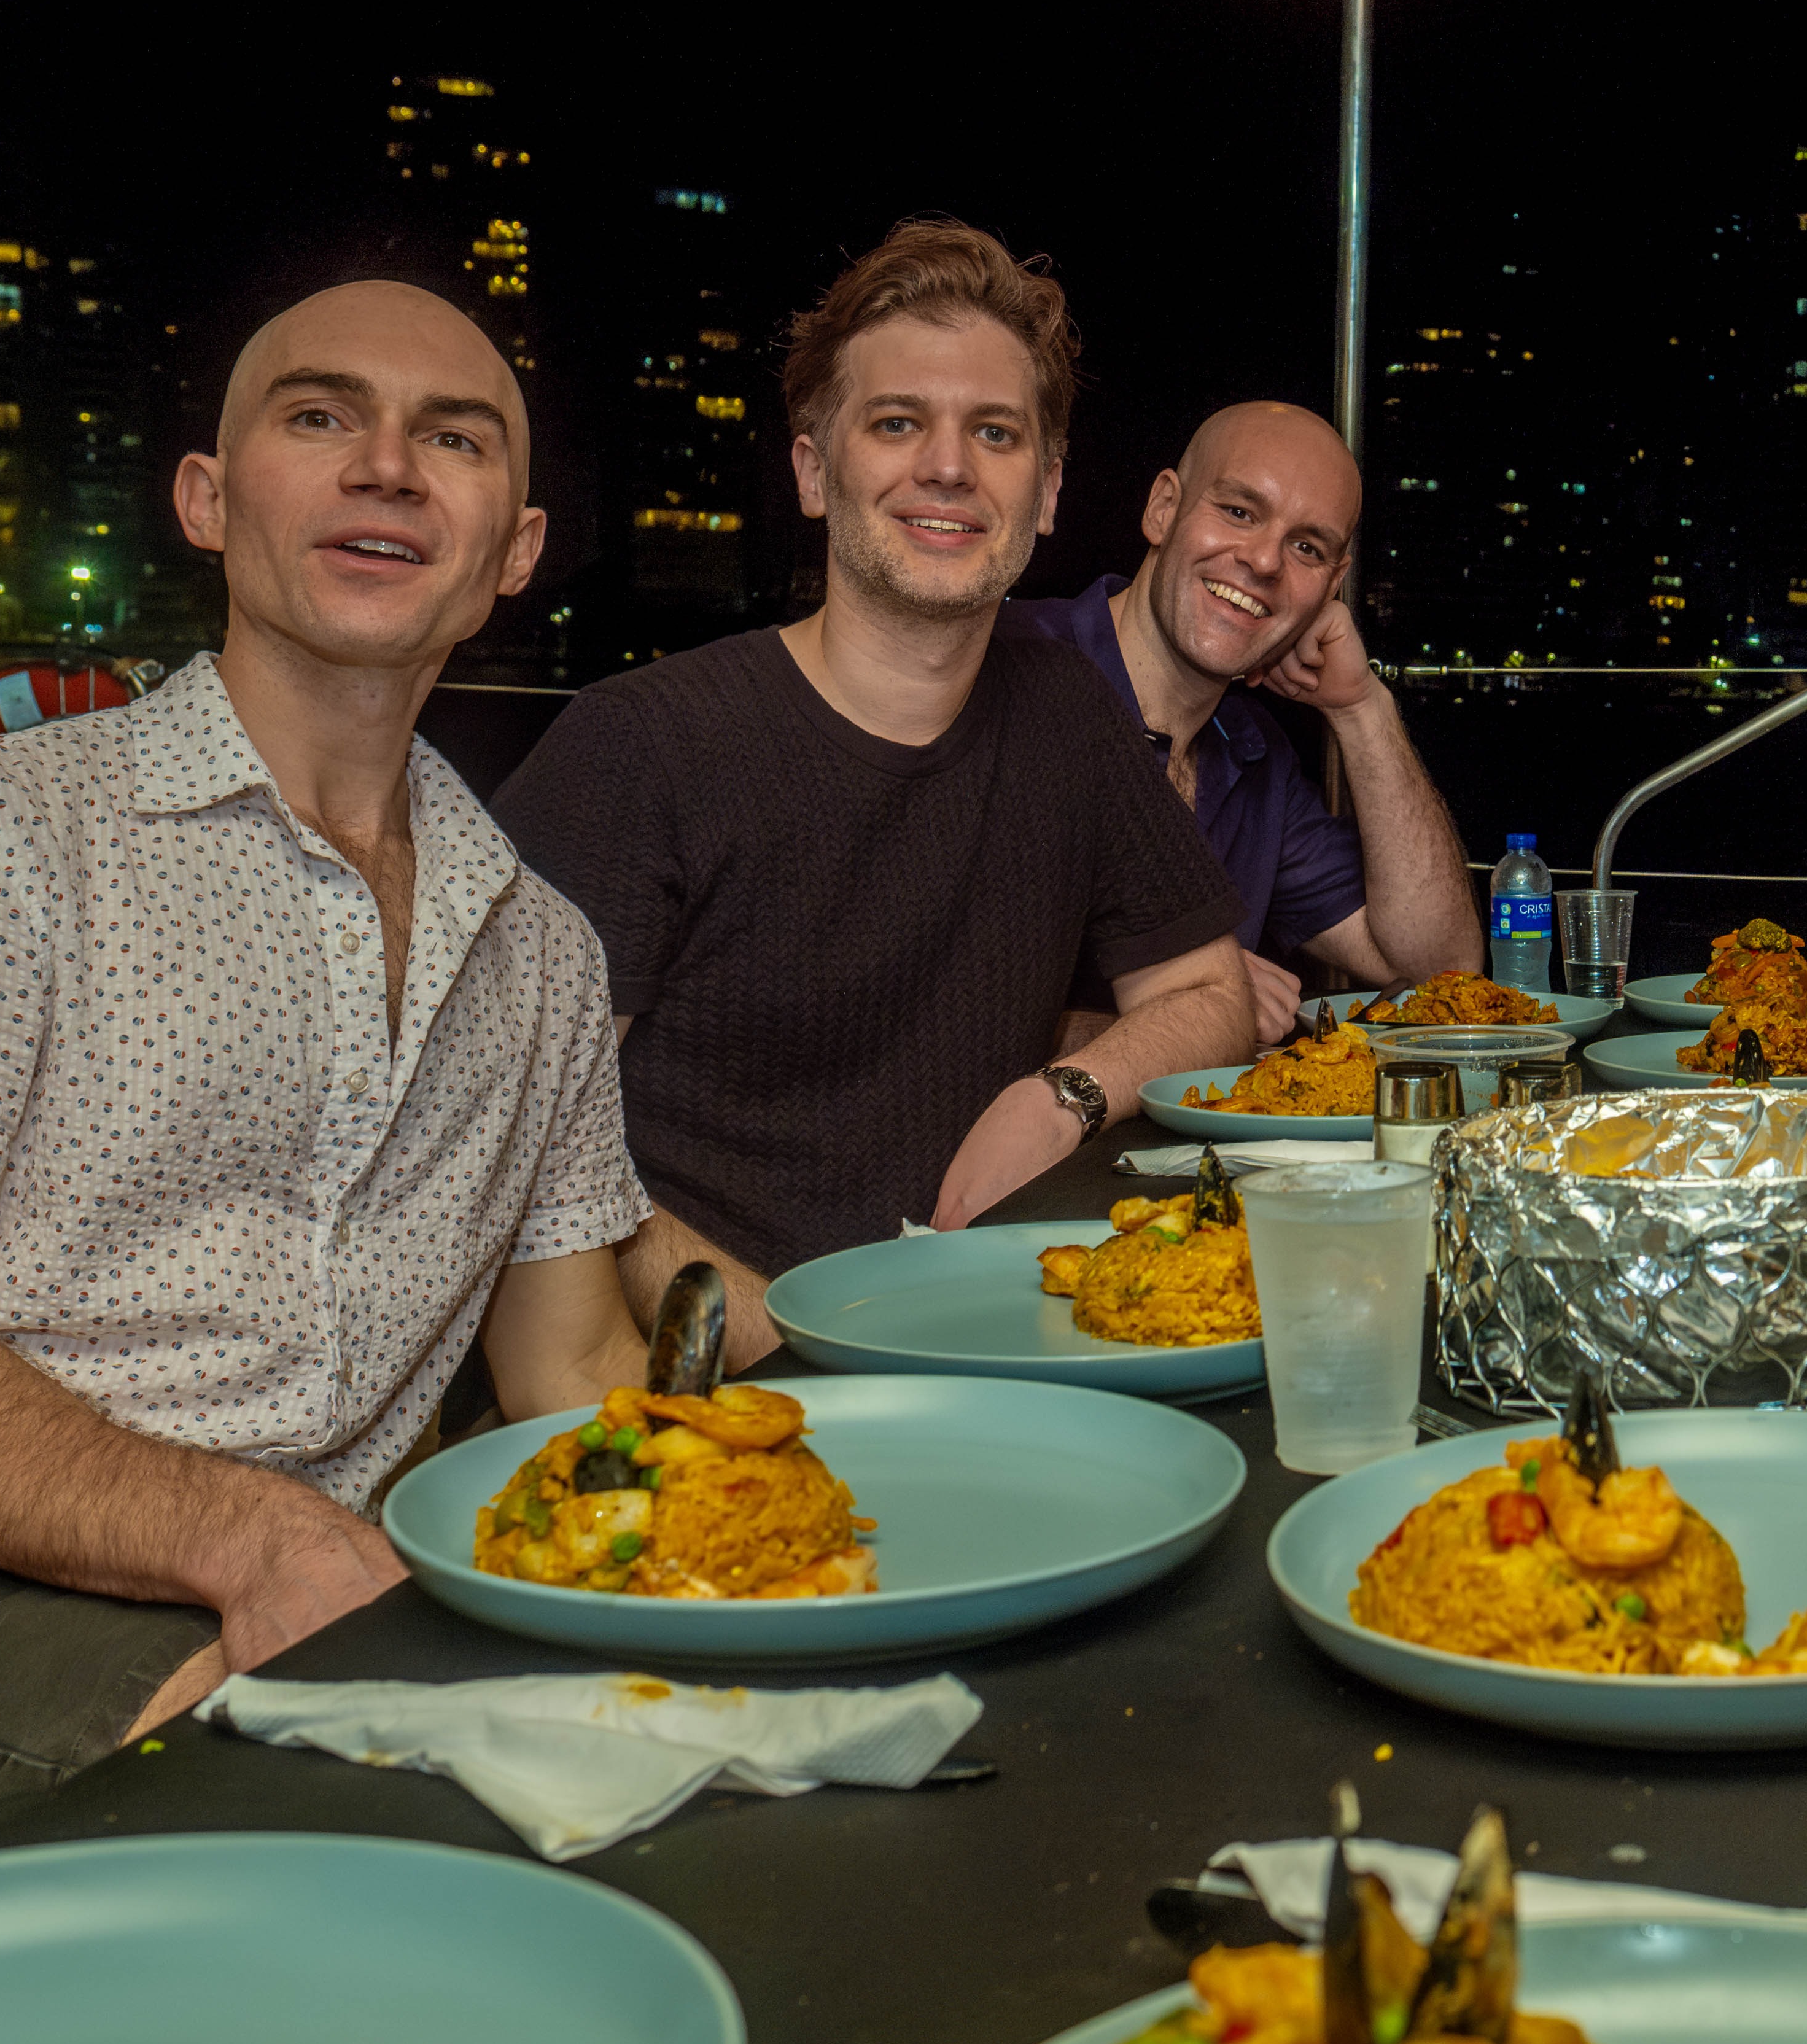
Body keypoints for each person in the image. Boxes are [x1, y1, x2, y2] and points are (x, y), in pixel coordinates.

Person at [0, 283, 670, 1891]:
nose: (387, 464)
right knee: (381, 1840)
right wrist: (259, 1534)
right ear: (206, 499)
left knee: (679, 1784)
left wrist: (791, 1525)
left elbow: (573, 1368)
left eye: (455, 438)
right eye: (320, 415)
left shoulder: (539, 947)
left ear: (516, 548)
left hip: (300, 1615)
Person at [491, 219, 1252, 1349]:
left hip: (981, 1333)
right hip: (719, 1380)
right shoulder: (639, 745)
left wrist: (1067, 1095)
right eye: (898, 422)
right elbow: (519, 1153)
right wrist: (805, 1346)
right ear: (813, 470)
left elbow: (1209, 989)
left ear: (1046, 491)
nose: (948, 466)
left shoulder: (1069, 715)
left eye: (994, 432)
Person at [1006, 402, 1475, 1044]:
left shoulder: (1253, 753)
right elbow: (911, 1006)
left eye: (1307, 547)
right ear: (1163, 509)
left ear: (1332, 584)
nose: (1264, 561)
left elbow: (1441, 973)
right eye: (1238, 512)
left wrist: (1362, 708)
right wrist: (1197, 1005)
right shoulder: (1009, 666)